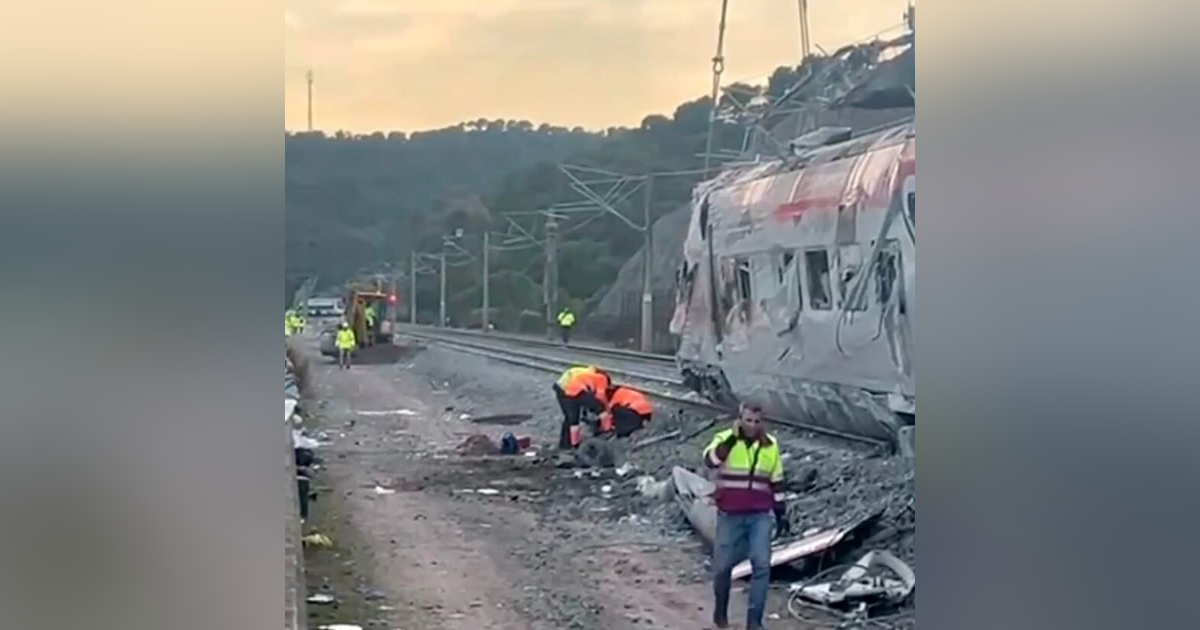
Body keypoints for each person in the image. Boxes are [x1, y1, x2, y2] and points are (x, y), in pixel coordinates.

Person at [702, 403, 790, 630]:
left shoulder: (770, 446)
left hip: (759, 515)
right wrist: (732, 440)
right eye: (748, 420)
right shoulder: (724, 439)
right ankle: (720, 612)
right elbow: (710, 461)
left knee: (761, 566)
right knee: (722, 568)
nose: (752, 425)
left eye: (757, 421)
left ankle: (754, 623)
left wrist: (781, 513)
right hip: (729, 515)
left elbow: (777, 481)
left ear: (763, 422)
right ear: (739, 419)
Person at [553, 366, 610, 449]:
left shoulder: (586, 373)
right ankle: (607, 431)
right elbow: (600, 396)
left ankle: (567, 445)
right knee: (600, 409)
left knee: (571, 418)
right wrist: (607, 408)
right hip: (572, 388)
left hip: (561, 388)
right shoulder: (602, 379)